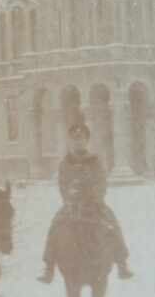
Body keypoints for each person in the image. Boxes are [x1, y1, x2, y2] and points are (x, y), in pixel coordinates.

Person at [37, 121, 134, 284]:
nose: (78, 142)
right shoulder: (65, 163)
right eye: (75, 139)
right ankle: (49, 267)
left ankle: (122, 263)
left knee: (112, 223)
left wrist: (95, 198)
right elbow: (62, 184)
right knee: (55, 226)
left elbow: (101, 182)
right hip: (72, 205)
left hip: (93, 204)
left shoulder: (95, 161)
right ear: (70, 141)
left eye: (81, 138)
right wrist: (69, 198)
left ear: (86, 141)